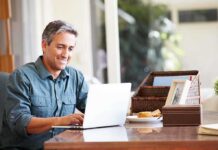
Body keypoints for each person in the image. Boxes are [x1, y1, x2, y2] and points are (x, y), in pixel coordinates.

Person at [0, 20, 88, 150]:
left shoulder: (76, 77)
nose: (66, 54)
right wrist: (61, 121)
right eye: (60, 47)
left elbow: (93, 109)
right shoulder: (22, 76)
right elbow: (20, 122)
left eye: (70, 49)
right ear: (44, 45)